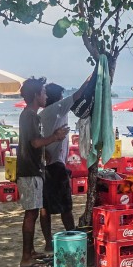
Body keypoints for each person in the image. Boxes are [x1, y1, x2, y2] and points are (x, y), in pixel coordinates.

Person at [16, 77, 69, 267]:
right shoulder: (30, 116)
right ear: (37, 95)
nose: (46, 96)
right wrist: (55, 137)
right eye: (44, 93)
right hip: (30, 170)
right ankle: (25, 257)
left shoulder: (29, 116)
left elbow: (35, 143)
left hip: (32, 169)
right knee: (31, 214)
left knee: (33, 213)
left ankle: (29, 252)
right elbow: (35, 143)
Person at [38, 81, 87, 250]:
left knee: (45, 206)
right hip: (56, 166)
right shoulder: (57, 108)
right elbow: (78, 94)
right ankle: (73, 237)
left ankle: (48, 243)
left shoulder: (43, 113)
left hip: (45, 166)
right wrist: (95, 74)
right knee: (66, 206)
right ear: (57, 98)